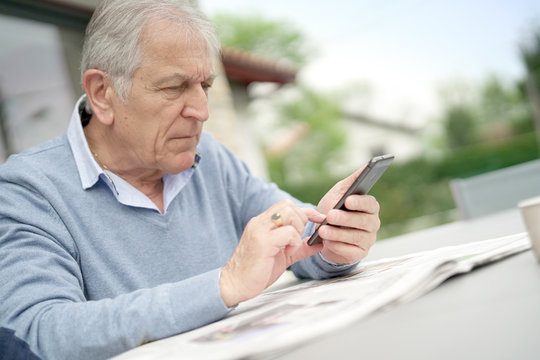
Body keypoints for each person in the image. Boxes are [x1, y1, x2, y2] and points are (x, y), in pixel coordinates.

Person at [0, 0, 381, 359]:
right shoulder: (28, 191)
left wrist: (332, 243)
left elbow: (292, 237)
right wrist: (224, 285)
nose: (201, 111)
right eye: (173, 87)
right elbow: (41, 333)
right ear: (102, 94)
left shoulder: (210, 157)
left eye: (206, 87)